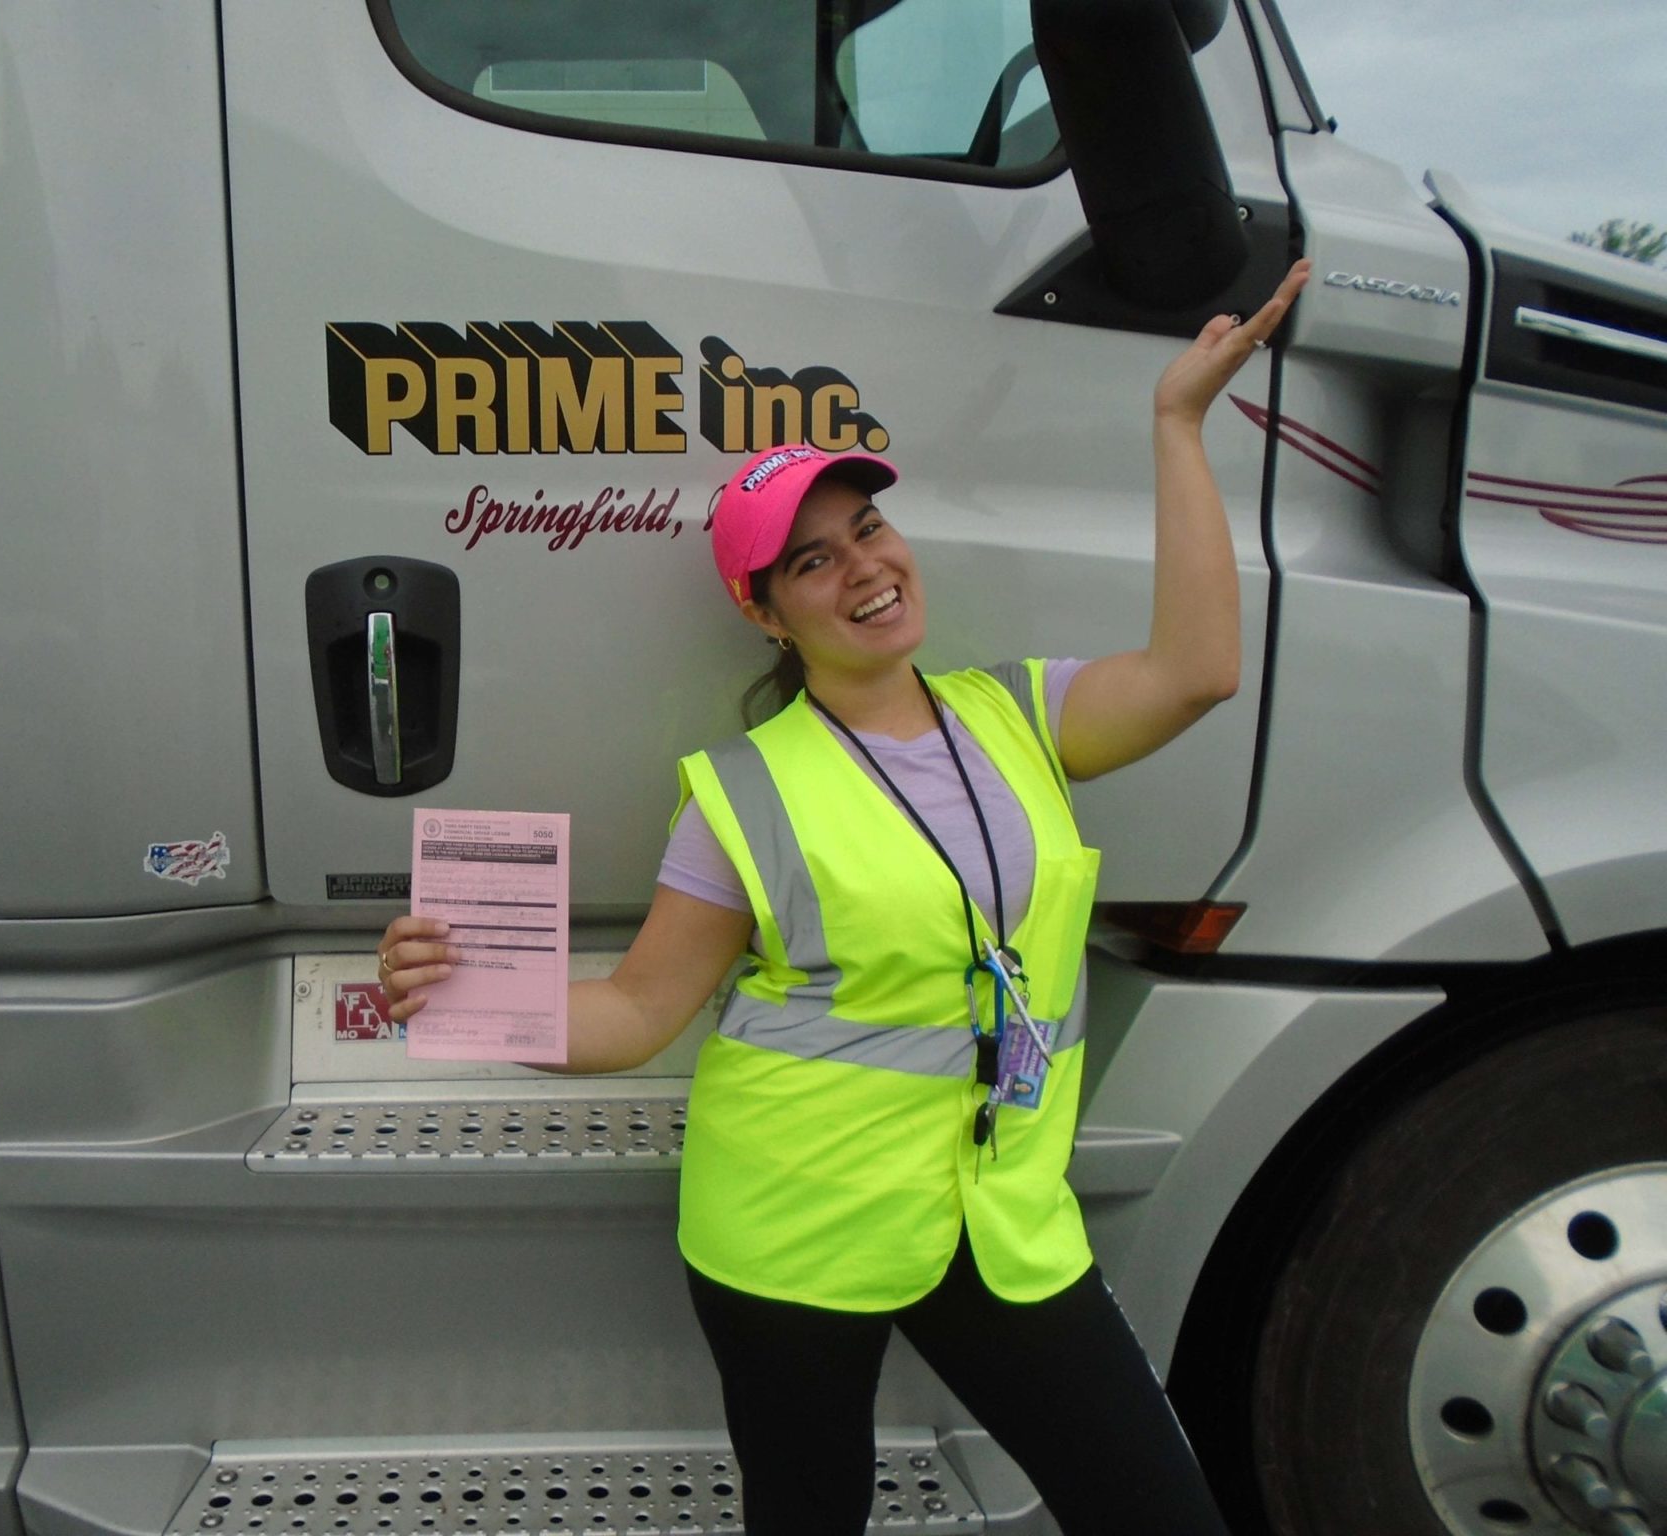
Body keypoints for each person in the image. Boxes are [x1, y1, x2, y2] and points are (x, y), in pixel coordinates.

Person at [376, 259, 1312, 1535]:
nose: (861, 568)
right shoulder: (738, 794)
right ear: (763, 611)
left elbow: (1200, 669)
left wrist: (1175, 424)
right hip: (792, 1227)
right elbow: (639, 1014)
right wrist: (463, 991)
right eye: (809, 562)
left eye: (866, 528)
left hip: (998, 1216)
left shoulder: (1019, 713)